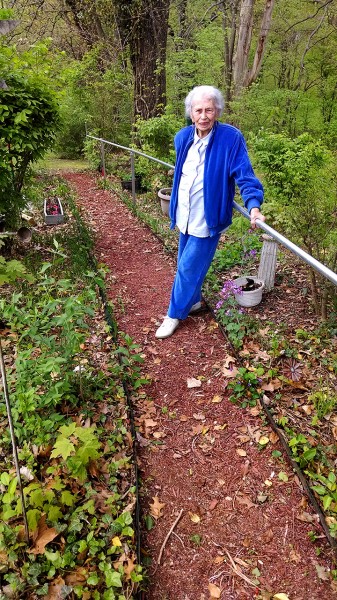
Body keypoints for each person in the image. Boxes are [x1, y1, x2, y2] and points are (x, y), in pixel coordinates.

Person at [155, 85, 265, 339]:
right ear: (191, 113)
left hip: (208, 217)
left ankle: (173, 314)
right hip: (184, 215)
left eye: (209, 110)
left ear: (217, 111)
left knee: (186, 268)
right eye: (199, 110)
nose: (204, 116)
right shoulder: (182, 137)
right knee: (188, 262)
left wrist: (254, 206)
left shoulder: (231, 138)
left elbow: (245, 176)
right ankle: (192, 302)